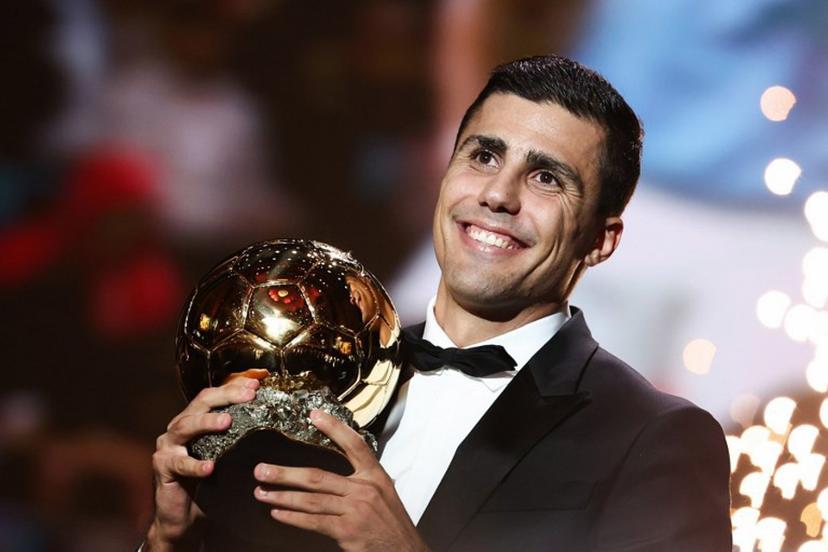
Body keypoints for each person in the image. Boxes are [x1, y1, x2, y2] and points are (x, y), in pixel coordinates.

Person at [144, 56, 732, 551]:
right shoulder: (313, 373)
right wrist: (172, 540)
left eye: (547, 178)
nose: (498, 195)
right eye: (483, 156)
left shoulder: (653, 440)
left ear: (600, 240)